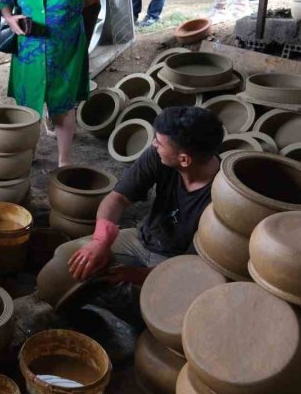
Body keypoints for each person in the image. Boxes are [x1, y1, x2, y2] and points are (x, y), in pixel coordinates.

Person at [0, 0, 124, 167]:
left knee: (64, 107)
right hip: (29, 50)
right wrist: (11, 20)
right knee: (28, 107)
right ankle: (29, 154)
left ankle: (64, 161)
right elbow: (5, 0)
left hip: (65, 52)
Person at [65, 106, 223, 284]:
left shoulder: (222, 197)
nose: (154, 144)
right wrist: (101, 240)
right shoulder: (159, 155)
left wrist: (140, 275)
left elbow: (196, 263)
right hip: (142, 239)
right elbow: (118, 198)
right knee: (69, 260)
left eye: (159, 143)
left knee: (137, 299)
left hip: (178, 262)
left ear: (184, 159)